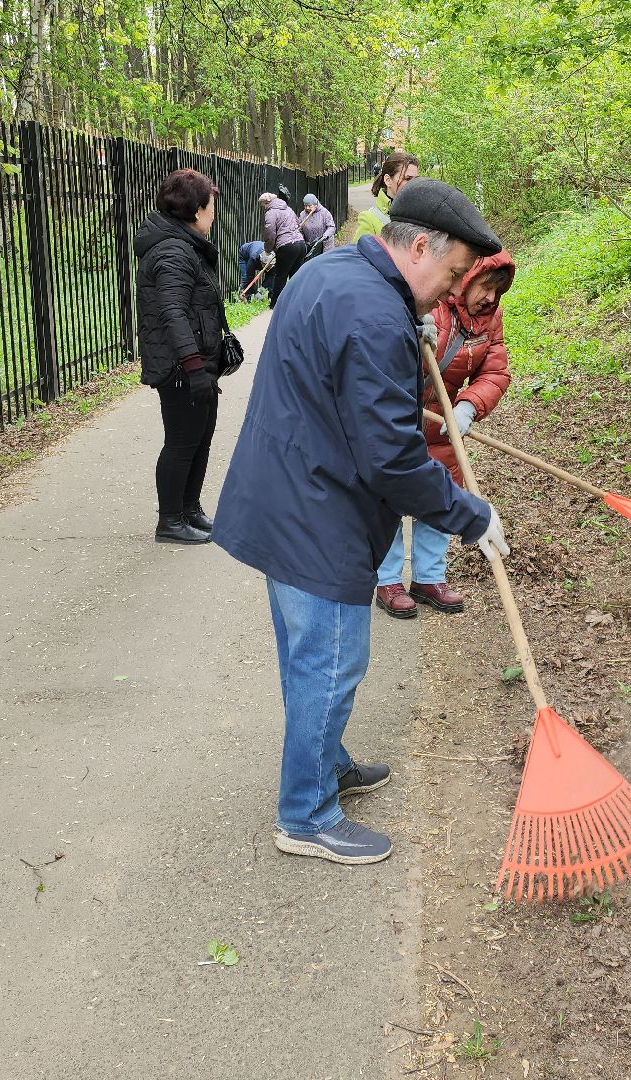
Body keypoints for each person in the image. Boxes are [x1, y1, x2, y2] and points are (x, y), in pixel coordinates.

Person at [214, 180, 507, 865]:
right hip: (318, 512)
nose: (452, 293)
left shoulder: (333, 270)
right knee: (333, 662)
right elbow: (394, 462)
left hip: (286, 495)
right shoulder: (374, 313)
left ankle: (327, 764)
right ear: (418, 246)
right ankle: (307, 815)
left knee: (307, 657)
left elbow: (340, 392)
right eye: (455, 274)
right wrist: (470, 514)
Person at [374, 249, 516, 619]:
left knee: (437, 500)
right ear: (468, 278)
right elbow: (381, 339)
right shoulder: (431, 299)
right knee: (389, 497)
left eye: (497, 291)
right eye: (486, 287)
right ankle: (387, 580)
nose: (489, 298)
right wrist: (414, 328)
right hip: (398, 413)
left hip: (442, 427)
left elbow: (495, 372)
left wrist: (468, 405)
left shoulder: (490, 320)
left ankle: (428, 578)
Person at [135, 168, 229, 545]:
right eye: (210, 205)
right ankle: (170, 520)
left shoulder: (185, 245)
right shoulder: (173, 251)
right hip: (180, 367)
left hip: (197, 363)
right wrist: (193, 367)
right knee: (182, 441)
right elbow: (172, 312)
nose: (213, 213)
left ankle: (190, 509)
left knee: (200, 437)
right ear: (195, 210)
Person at [355, 151, 419, 239]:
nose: (414, 184)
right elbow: (359, 251)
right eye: (407, 179)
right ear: (388, 180)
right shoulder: (369, 219)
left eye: (416, 179)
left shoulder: (421, 214)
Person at [259, 192, 306, 308]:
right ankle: (297, 303)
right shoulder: (288, 209)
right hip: (300, 244)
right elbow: (299, 224)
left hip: (287, 246)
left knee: (280, 276)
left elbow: (270, 234)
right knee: (295, 276)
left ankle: (275, 305)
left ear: (266, 202)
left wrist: (268, 250)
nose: (264, 208)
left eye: (263, 205)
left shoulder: (271, 212)